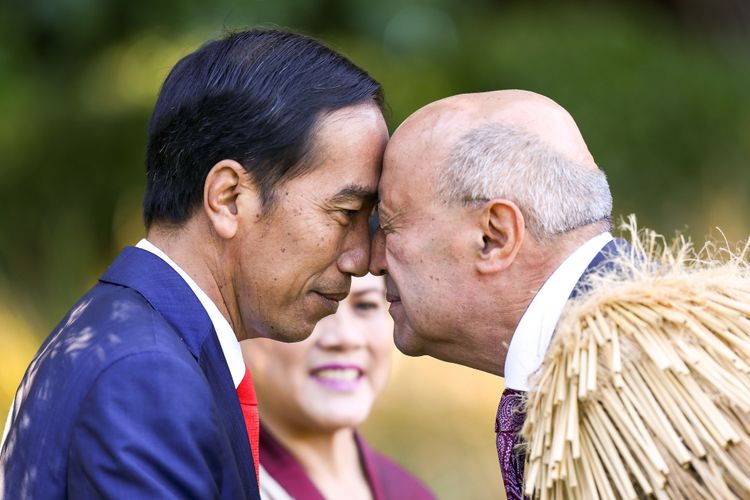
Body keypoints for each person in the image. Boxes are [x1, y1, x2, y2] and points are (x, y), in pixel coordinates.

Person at [0, 28, 387, 499]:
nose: (362, 258)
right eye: (346, 213)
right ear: (228, 197)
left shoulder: (133, 339)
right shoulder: (144, 376)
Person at [368, 89, 620, 500]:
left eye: (391, 226)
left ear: (493, 236)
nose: (372, 260)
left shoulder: (655, 391)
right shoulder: (612, 370)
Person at [241, 274, 434, 500]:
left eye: (365, 305)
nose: (345, 338)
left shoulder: (408, 492)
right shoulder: (214, 479)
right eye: (309, 306)